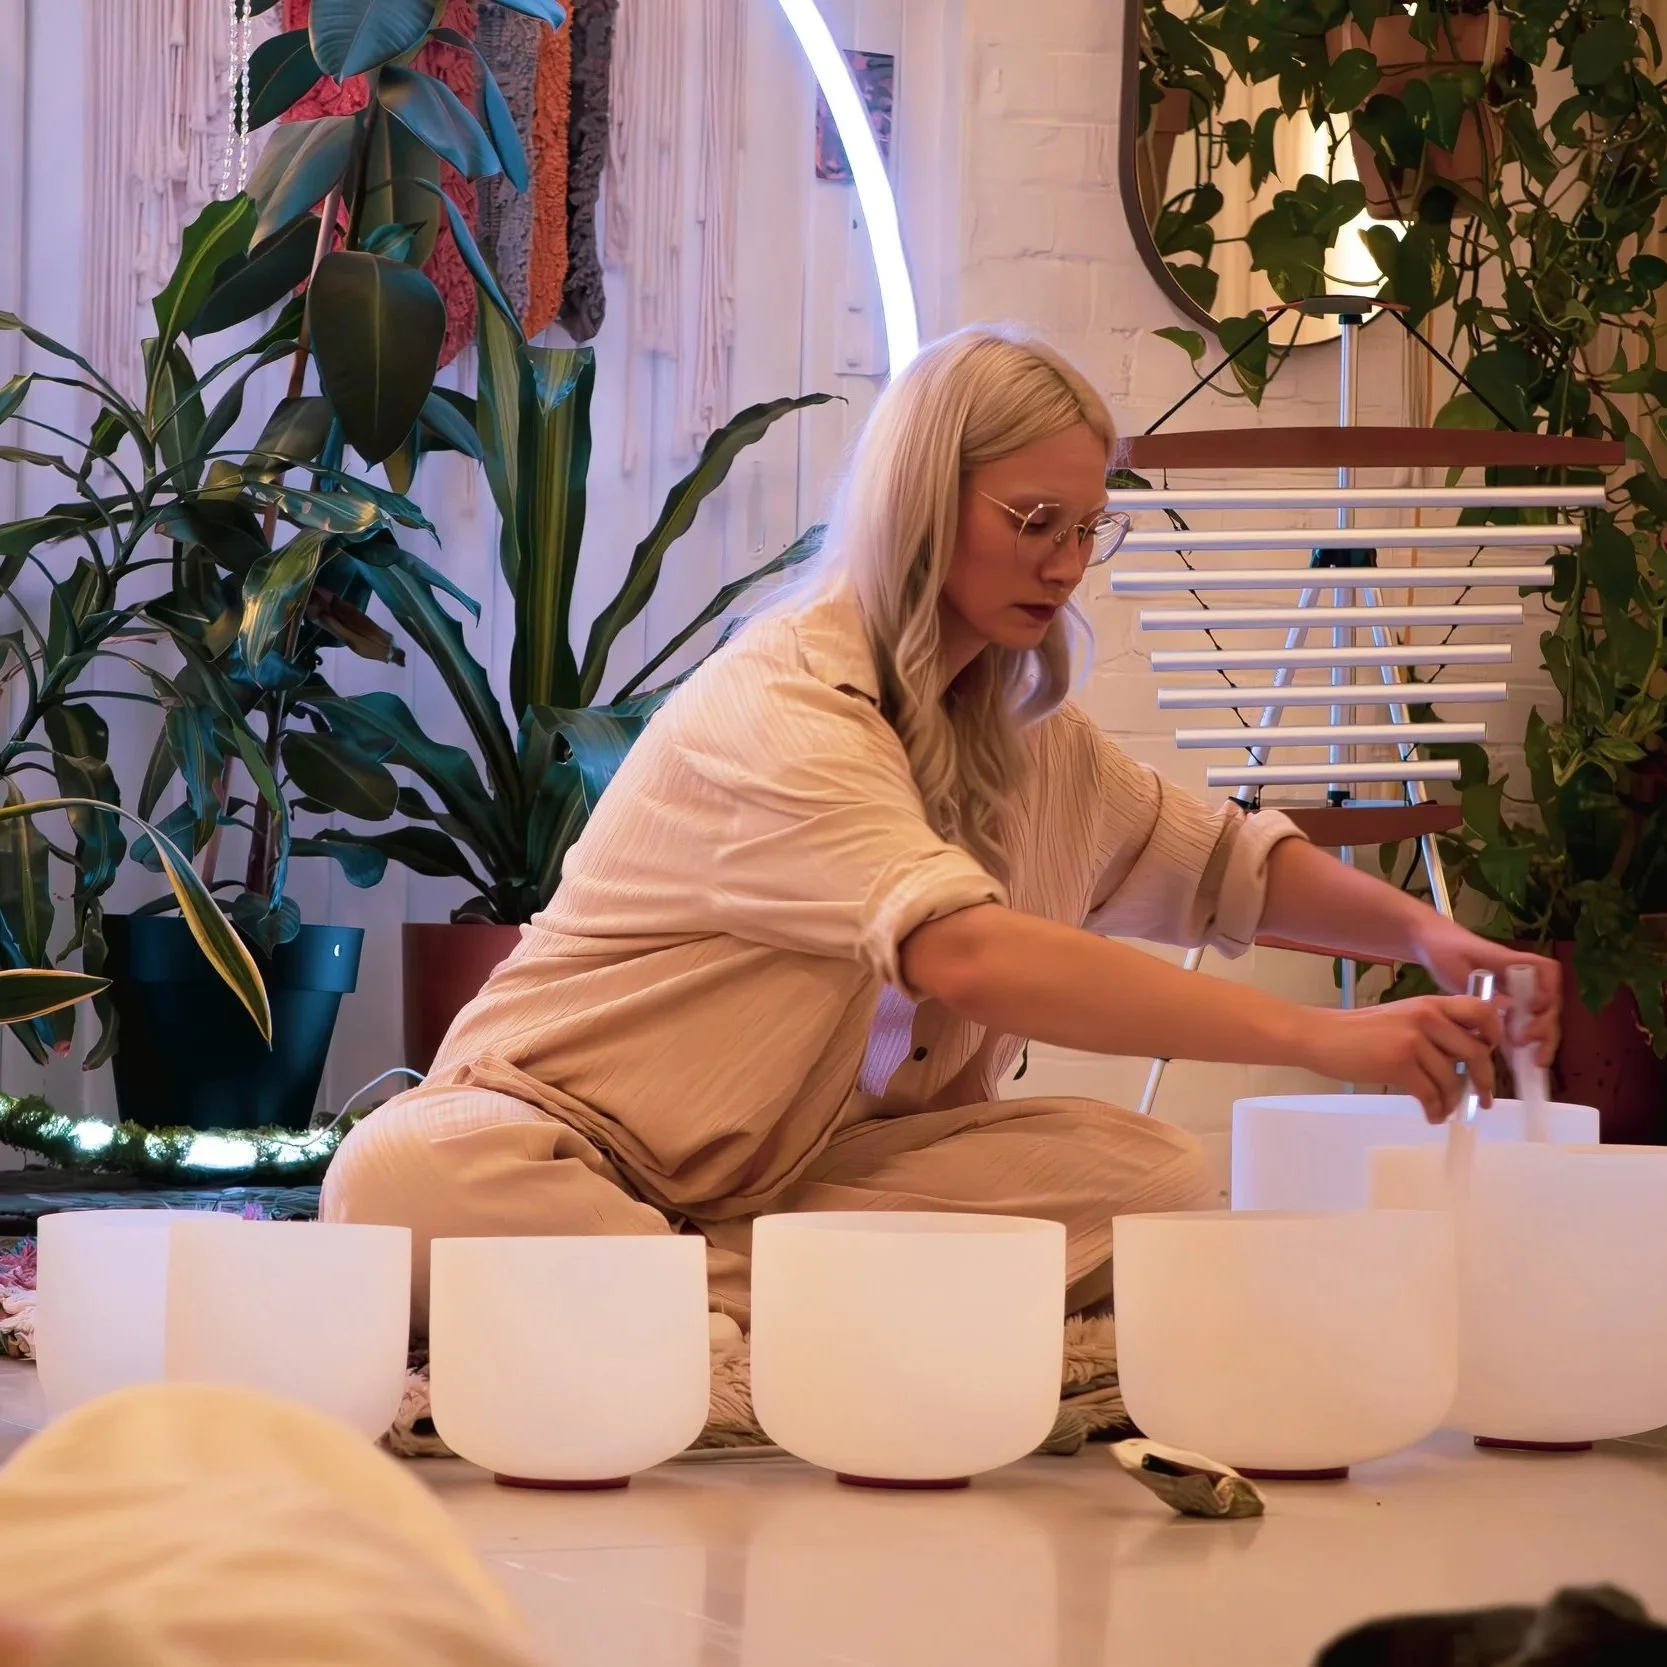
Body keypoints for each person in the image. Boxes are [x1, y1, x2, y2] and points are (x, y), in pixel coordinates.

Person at [322, 324, 1560, 1331]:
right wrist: (1327, 1037)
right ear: (925, 498)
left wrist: (1424, 936)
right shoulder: (786, 701)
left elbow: (1223, 864)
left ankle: (665, 1301)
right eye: (1033, 522)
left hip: (799, 1181)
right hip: (561, 1144)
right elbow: (965, 951)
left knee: (1155, 1181)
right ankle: (771, 1305)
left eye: (1086, 528)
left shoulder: (1022, 731)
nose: (1067, 562)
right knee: (402, 1180)